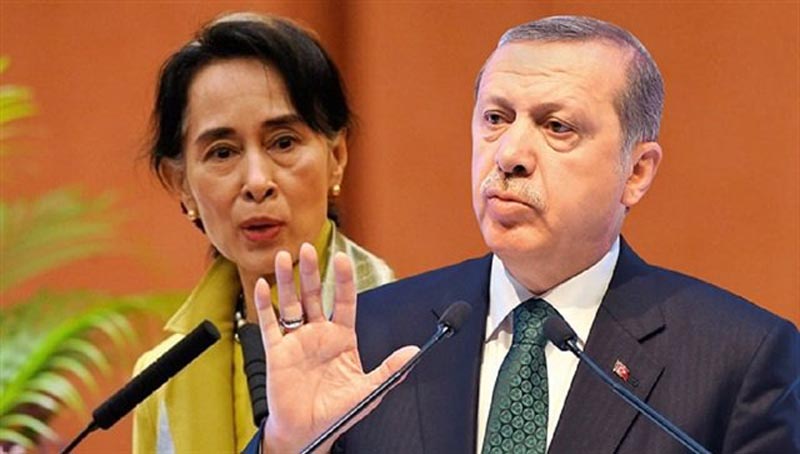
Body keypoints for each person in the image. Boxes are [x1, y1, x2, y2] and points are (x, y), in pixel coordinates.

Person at [245, 15, 800, 454]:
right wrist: (290, 445)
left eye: (557, 126)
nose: (509, 154)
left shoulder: (736, 359)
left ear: (636, 171)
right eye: (495, 118)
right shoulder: (373, 336)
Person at [131, 12, 395, 453]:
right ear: (181, 184)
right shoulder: (161, 380)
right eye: (222, 152)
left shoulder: (411, 333)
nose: (257, 181)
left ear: (336, 157)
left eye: (283, 142)